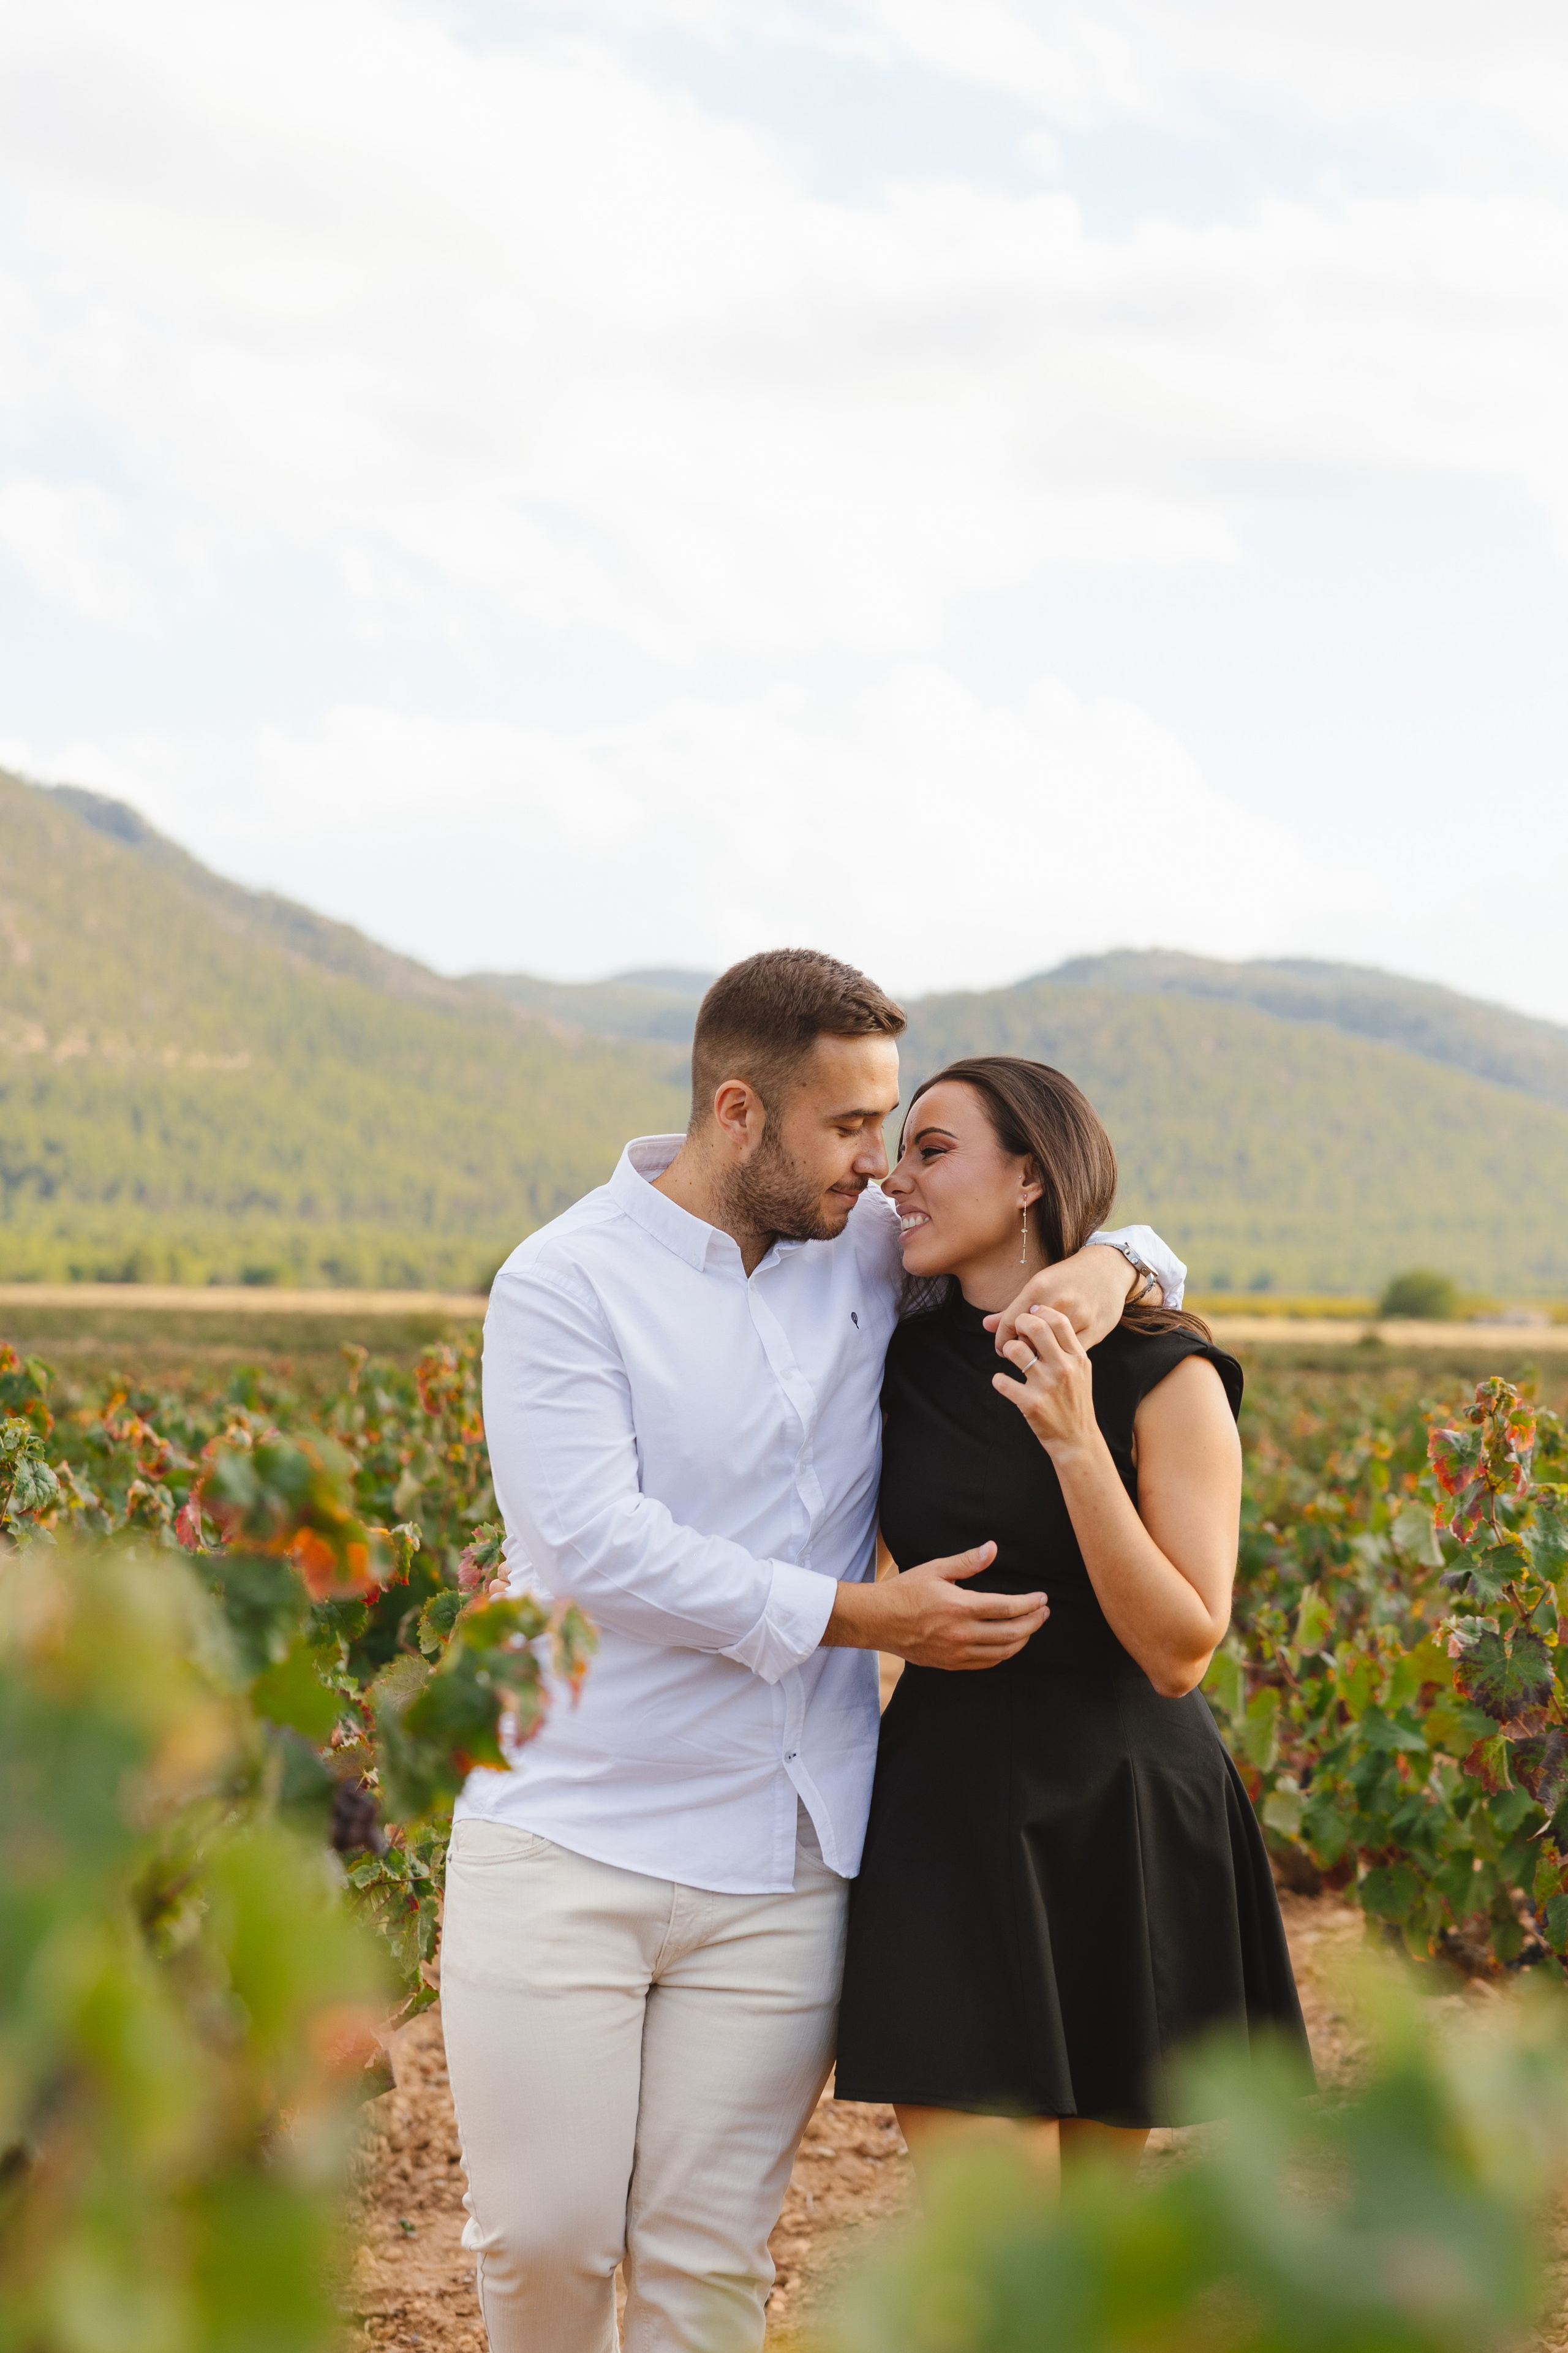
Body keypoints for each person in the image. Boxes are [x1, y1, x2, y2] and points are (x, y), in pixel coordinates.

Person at [438, 950, 1186, 2353]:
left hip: (786, 1850)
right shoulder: (561, 1282)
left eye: (894, 1127)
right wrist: (863, 1617)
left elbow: (1097, 1229)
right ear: (739, 1114)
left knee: (708, 2256)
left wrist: (1111, 1263)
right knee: (543, 2242)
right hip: (572, 1829)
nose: (882, 1168)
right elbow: (600, 1546)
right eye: (851, 1129)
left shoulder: (862, 1252)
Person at [834, 1055, 1310, 2187]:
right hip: (945, 1812)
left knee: (1083, 2262)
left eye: (933, 1149)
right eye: (900, 1147)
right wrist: (1119, 1250)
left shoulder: (1165, 1372)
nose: (897, 1177)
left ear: (1032, 1178)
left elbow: (1182, 1647)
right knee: (1001, 2247)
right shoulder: (896, 1351)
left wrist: (1074, 1435)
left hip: (1124, 1806)